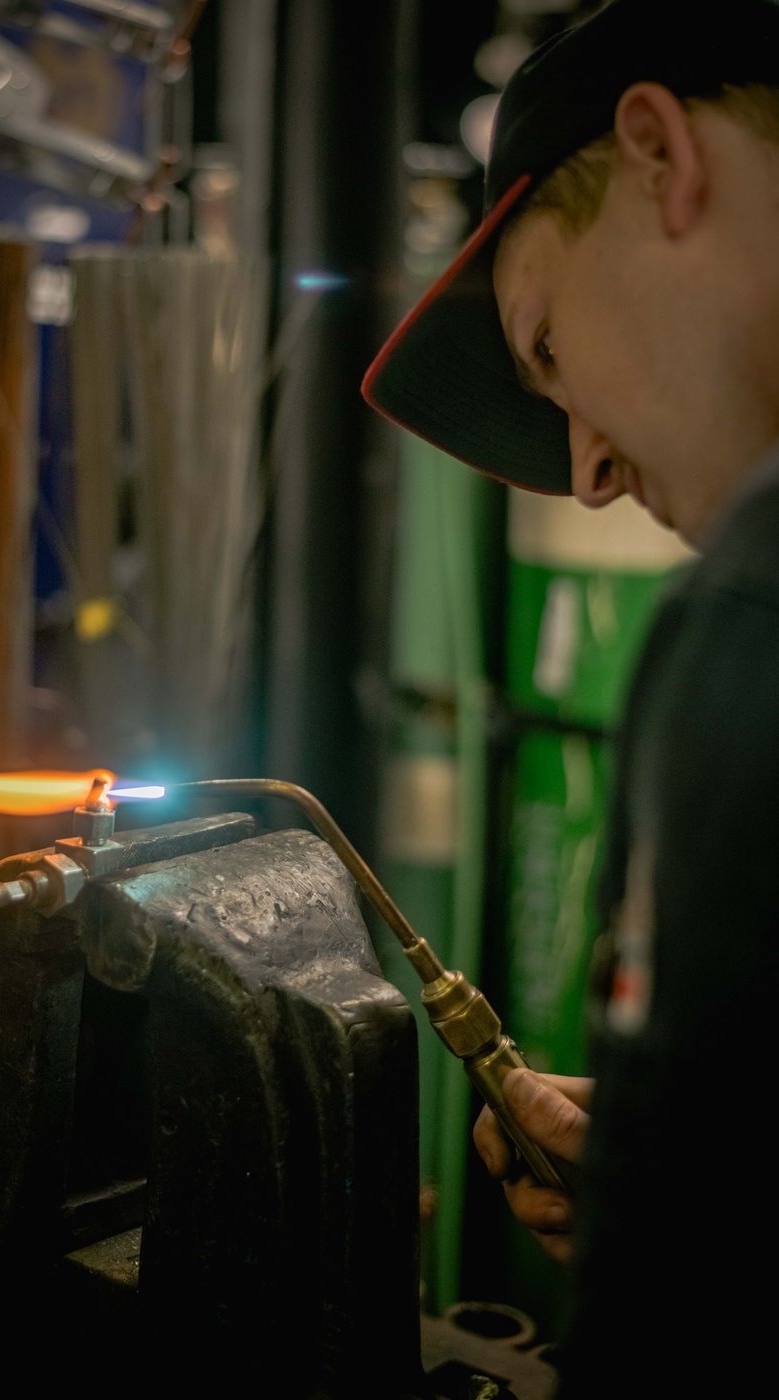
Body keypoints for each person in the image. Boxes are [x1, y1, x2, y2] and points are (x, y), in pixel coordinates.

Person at [364, 0, 779, 1392]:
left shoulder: (747, 616)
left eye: (546, 351)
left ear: (661, 154)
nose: (588, 470)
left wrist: (679, 1242)